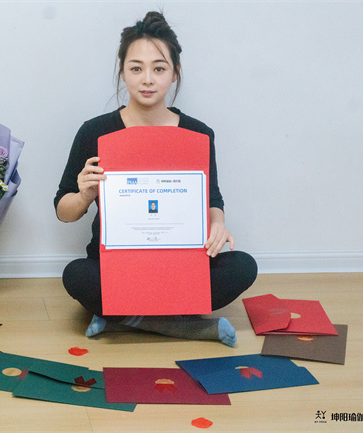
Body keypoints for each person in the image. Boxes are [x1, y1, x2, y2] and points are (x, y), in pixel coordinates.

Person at [53, 11, 258, 347]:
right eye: (136, 68)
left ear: (175, 72)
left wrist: (218, 224)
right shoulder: (94, 131)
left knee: (243, 266)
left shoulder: (198, 133)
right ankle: (181, 324)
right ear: (122, 71)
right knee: (76, 275)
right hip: (117, 265)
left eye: (159, 69)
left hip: (182, 263)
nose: (147, 79)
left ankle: (125, 317)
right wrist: (84, 195)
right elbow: (63, 211)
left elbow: (212, 199)